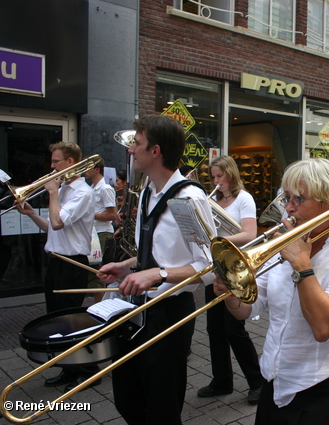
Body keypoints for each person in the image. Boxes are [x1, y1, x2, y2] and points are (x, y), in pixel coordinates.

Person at [214, 158, 329, 425]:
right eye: (286, 197)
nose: (288, 208)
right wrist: (231, 293)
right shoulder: (286, 244)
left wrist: (301, 264)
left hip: (321, 390)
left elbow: (324, 329)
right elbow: (248, 310)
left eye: (299, 199)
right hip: (275, 383)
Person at [98, 115, 216, 425]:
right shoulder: (148, 192)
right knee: (128, 398)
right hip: (137, 310)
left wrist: (159, 274)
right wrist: (125, 267)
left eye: (137, 144)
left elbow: (210, 266)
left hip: (169, 314)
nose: (130, 150)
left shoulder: (187, 198)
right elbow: (149, 254)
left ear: (156, 151)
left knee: (161, 409)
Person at [16, 141, 96, 389]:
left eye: (55, 162)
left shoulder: (83, 192)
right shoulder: (62, 190)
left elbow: (60, 222)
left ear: (70, 163)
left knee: (72, 320)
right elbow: (52, 227)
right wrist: (31, 213)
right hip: (56, 261)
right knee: (56, 320)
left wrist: (51, 192)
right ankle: (68, 369)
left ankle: (90, 369)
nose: (51, 167)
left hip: (72, 263)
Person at [197, 155, 264, 404]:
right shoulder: (212, 199)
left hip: (235, 267)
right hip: (215, 267)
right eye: (213, 177)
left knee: (234, 329)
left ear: (230, 175)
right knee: (214, 327)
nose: (216, 181)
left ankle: (257, 381)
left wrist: (219, 242)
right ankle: (221, 380)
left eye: (219, 177)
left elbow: (249, 233)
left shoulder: (244, 198)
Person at [84, 158, 117, 302]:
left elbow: (112, 214)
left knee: (98, 273)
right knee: (93, 273)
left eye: (88, 168)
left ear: (97, 169)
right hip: (94, 233)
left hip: (102, 233)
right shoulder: (92, 188)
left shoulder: (105, 188)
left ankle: (101, 308)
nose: (85, 171)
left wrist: (88, 215)